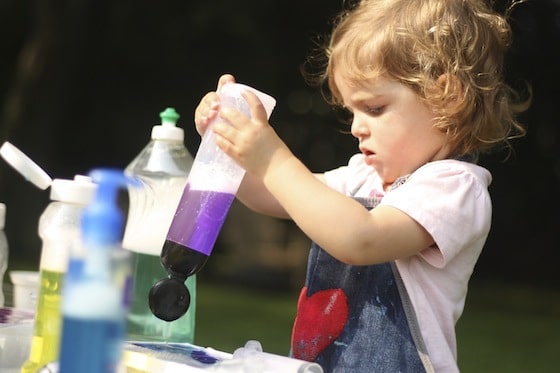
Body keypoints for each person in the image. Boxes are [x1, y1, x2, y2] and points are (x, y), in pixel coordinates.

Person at [194, 0, 528, 371]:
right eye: (351, 111)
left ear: (445, 97)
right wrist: (228, 144)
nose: (356, 127)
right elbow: (274, 196)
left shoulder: (455, 187)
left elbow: (361, 239)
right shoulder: (363, 177)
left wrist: (271, 157)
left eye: (374, 108)